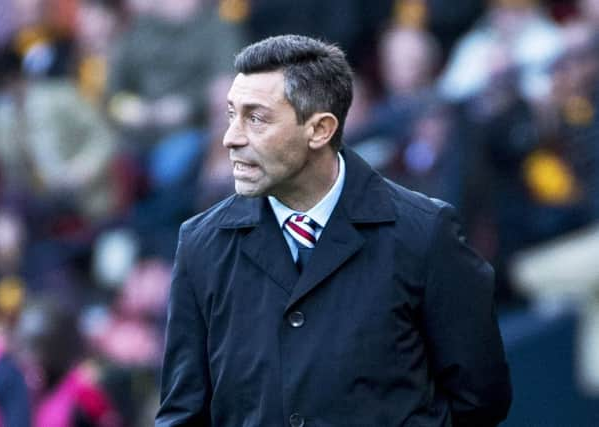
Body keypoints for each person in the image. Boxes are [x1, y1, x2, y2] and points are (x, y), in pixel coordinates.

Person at [156, 34, 512, 427]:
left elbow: (480, 399)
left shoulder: (425, 233)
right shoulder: (200, 245)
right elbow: (183, 414)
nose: (231, 138)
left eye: (255, 118)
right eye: (231, 115)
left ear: (320, 129)